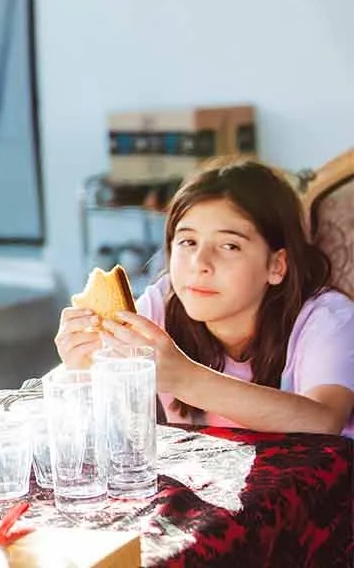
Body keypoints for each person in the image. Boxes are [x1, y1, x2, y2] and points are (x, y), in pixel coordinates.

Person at [55, 157, 354, 436]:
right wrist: (80, 371)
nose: (200, 263)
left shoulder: (327, 319)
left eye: (229, 246)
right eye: (188, 241)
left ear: (276, 265)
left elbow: (324, 420)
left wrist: (185, 378)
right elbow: (92, 422)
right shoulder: (161, 306)